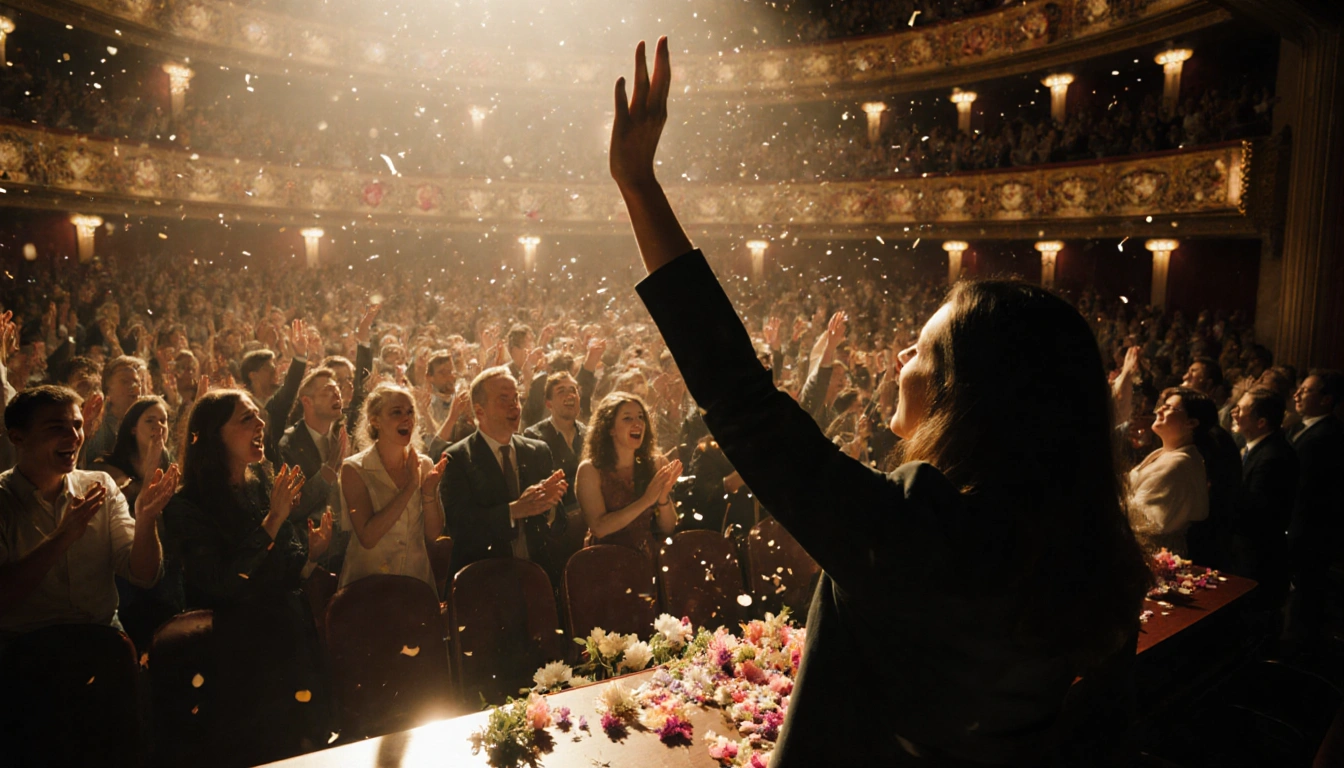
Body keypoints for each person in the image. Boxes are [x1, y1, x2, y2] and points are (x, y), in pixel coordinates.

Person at [609, 38, 1151, 766]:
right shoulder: (1092, 552)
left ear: (968, 396)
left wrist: (640, 186)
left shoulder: (922, 529)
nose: (900, 359)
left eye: (922, 351)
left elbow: (742, 398)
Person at [161, 389, 334, 765]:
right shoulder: (186, 505)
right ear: (213, 433)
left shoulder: (260, 486)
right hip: (238, 652)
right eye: (245, 419)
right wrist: (273, 520)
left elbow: (283, 567)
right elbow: (222, 582)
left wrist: (311, 552)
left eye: (259, 416)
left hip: (288, 636)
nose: (260, 424)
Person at [1, 386, 176, 637]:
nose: (74, 437)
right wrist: (62, 537)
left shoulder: (99, 486)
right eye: (56, 428)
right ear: (17, 437)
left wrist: (146, 519)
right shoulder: (5, 500)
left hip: (102, 632)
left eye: (77, 425)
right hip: (23, 645)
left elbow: (143, 575)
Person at [439, 367, 568, 580]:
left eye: (516, 398)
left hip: (536, 575)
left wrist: (550, 505)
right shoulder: (458, 458)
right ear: (479, 411)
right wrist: (513, 511)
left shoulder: (537, 451)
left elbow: (559, 525)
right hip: (486, 579)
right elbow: (459, 527)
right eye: (503, 399)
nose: (514, 406)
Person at [337, 384, 446, 591]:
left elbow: (433, 534)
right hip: (368, 585)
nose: (407, 419)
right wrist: (410, 487)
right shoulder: (355, 468)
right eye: (396, 412)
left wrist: (429, 493)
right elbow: (368, 537)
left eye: (410, 412)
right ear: (375, 420)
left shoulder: (423, 465)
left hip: (415, 582)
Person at [574, 392, 681, 561]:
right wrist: (646, 500)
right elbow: (599, 527)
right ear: (610, 429)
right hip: (607, 561)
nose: (637, 423)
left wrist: (662, 498)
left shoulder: (656, 464)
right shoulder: (590, 470)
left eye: (640, 417)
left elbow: (668, 528)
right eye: (627, 418)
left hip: (648, 558)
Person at [1286, 370, 1344, 653]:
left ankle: (1300, 654)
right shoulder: (1301, 427)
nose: (1297, 394)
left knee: (1307, 596)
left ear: (1327, 400)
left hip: (1312, 531)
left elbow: (1310, 493)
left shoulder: (1327, 435)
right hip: (1302, 528)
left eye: (1306, 391)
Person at [1229, 387, 1299, 609]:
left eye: (1241, 409)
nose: (1234, 413)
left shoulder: (1273, 456)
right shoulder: (1257, 448)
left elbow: (1257, 512)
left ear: (1261, 422)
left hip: (1259, 558)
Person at [1128, 388, 1215, 556]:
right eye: (1162, 405)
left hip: (1153, 553)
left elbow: (1144, 519)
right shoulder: (1168, 453)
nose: (1159, 410)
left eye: (1169, 408)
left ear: (1191, 423)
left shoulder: (1178, 463)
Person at [279, 368, 349, 568]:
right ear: (307, 402)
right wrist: (329, 471)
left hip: (348, 549)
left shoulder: (344, 434)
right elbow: (293, 509)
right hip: (313, 556)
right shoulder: (288, 445)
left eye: (337, 390)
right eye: (327, 391)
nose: (337, 394)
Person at [81, 355, 144, 468]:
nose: (133, 387)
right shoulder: (97, 425)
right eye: (124, 382)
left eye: (136, 382)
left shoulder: (146, 423)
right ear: (108, 389)